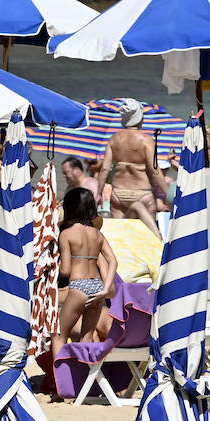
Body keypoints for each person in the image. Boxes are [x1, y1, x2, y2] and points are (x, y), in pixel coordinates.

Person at [54, 187, 117, 359]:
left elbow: (66, 270)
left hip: (78, 286)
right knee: (87, 338)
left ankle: (62, 383)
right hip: (97, 287)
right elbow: (113, 261)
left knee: (59, 336)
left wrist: (53, 267)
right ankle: (85, 383)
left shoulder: (66, 234)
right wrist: (105, 289)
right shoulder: (97, 234)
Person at [95, 99, 167, 238]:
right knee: (147, 237)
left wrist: (98, 193)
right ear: (140, 118)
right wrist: (168, 193)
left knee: (120, 237)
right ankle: (158, 242)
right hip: (142, 193)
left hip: (118, 194)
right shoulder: (146, 140)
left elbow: (104, 169)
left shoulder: (114, 139)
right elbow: (154, 169)